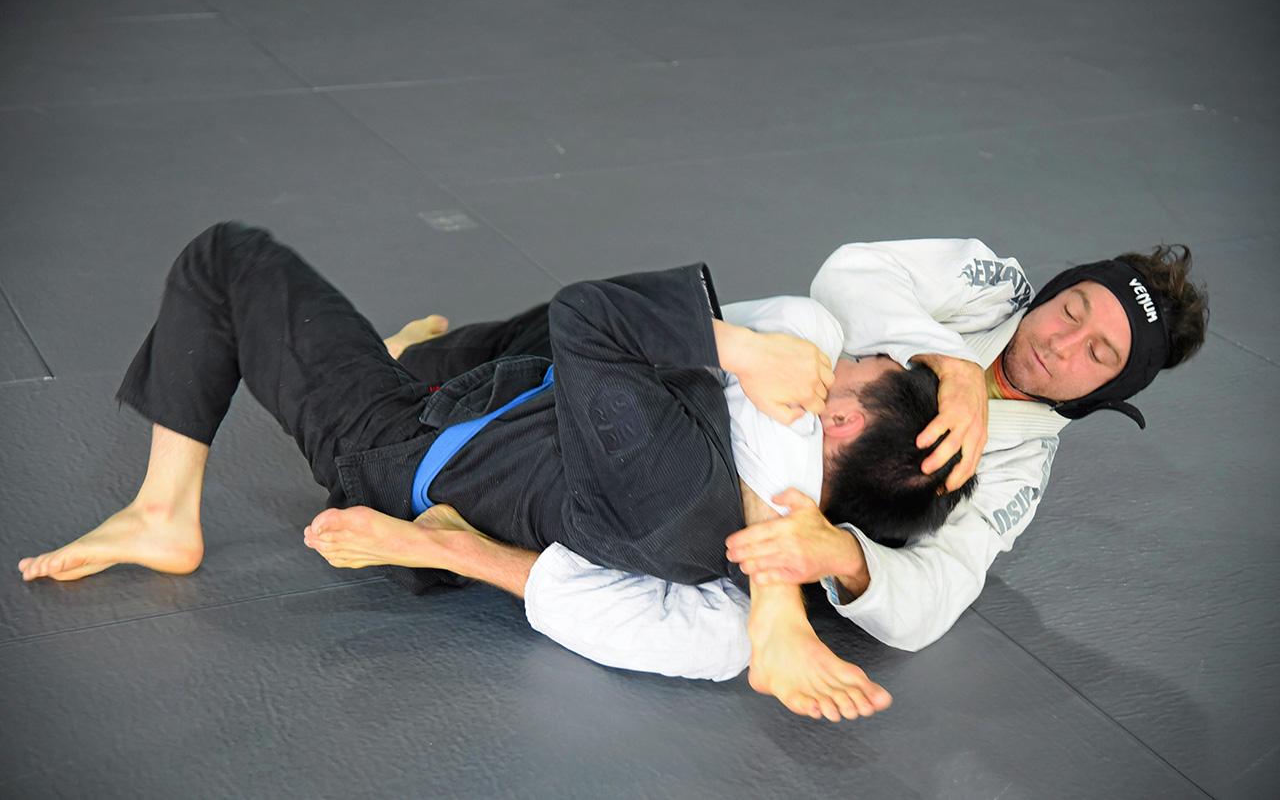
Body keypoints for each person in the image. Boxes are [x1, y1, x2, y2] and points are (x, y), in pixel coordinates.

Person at [15, 222, 969, 723]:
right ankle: (408, 360)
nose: (834, 361)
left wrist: (744, 350)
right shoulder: (724, 521)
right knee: (533, 343)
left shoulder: (683, 476)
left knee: (227, 257)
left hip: (399, 449)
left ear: (839, 418)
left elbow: (595, 315)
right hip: (496, 422)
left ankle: (162, 511)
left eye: (850, 370)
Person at [363, 238, 1207, 679]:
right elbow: (850, 272)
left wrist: (842, 554)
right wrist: (946, 360)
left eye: (1098, 354)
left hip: (753, 511)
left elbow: (936, 599)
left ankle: (470, 552)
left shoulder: (1019, 471)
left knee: (719, 642)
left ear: (1106, 391)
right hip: (726, 392)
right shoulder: (988, 284)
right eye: (1072, 309)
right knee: (794, 326)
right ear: (1056, 288)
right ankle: (418, 353)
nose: (1062, 342)